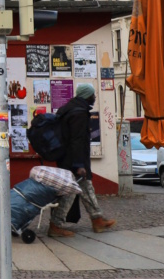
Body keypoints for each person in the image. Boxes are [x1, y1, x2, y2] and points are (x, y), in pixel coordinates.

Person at [47, 83, 116, 237]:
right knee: (69, 193)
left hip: (68, 159)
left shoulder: (69, 109)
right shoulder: (79, 113)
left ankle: (97, 219)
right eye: (93, 95)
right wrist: (79, 165)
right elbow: (77, 140)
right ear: (87, 95)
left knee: (86, 189)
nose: (94, 97)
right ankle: (55, 226)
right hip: (73, 162)